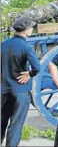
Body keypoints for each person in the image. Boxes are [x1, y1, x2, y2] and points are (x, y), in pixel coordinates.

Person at [1, 17, 40, 147]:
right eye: (31, 28)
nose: (31, 30)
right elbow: (37, 68)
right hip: (20, 91)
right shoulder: (26, 47)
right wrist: (29, 74)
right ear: (25, 30)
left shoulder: (3, 44)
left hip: (4, 90)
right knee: (15, 125)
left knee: (1, 122)